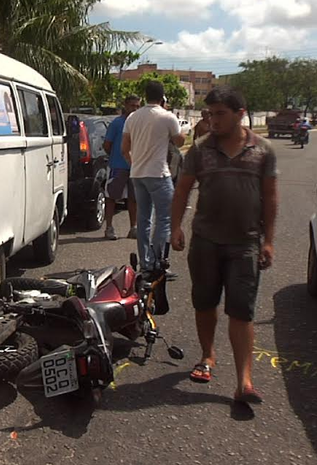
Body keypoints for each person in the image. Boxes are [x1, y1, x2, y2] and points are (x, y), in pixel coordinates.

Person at [170, 86, 278, 404]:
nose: (213, 120)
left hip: (245, 244)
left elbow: (270, 197)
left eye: (220, 114)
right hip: (205, 242)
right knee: (204, 304)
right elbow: (182, 191)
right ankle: (207, 356)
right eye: (210, 114)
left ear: (240, 113)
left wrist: (269, 241)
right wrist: (176, 227)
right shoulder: (200, 150)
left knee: (242, 312)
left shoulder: (263, 150)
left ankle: (244, 381)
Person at [121, 81, 185, 271]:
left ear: (144, 96)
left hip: (138, 174)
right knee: (165, 218)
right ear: (163, 98)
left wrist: (135, 165)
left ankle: (145, 263)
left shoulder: (132, 117)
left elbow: (124, 148)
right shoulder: (167, 117)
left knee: (143, 219)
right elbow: (180, 142)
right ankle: (158, 262)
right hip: (158, 174)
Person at [102, 95, 141, 240]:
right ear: (125, 105)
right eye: (132, 106)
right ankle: (109, 228)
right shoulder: (117, 123)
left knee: (134, 198)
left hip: (135, 167)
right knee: (111, 197)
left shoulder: (139, 124)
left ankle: (133, 228)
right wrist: (116, 156)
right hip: (117, 167)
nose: (134, 109)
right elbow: (107, 145)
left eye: (137, 106)